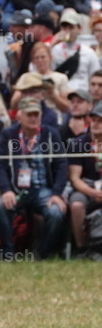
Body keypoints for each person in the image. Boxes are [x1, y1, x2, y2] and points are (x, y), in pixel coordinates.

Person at [0, 98, 68, 260]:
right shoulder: (9, 135)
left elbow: (62, 164)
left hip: (43, 189)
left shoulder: (50, 134)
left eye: (36, 114)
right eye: (29, 115)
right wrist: (6, 190)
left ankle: (41, 253)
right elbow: (0, 165)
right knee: (2, 205)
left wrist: (56, 193)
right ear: (19, 116)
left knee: (56, 212)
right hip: (17, 189)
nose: (34, 118)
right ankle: (8, 253)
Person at [66, 101, 102, 255]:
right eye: (93, 119)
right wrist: (93, 192)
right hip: (85, 187)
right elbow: (75, 178)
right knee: (76, 205)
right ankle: (82, 249)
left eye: (100, 121)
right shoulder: (78, 144)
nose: (96, 123)